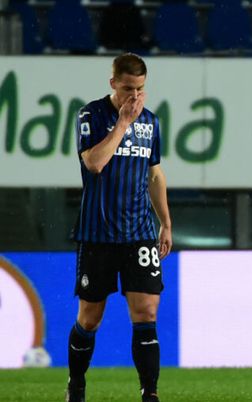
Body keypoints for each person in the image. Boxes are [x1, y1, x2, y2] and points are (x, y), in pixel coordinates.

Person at [67, 53, 172, 402]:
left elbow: (155, 173)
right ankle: (77, 385)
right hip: (97, 233)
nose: (135, 97)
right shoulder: (91, 115)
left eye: (140, 90)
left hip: (139, 231)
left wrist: (166, 223)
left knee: (146, 311)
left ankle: (150, 393)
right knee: (90, 318)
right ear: (113, 83)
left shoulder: (152, 122)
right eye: (128, 89)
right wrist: (123, 124)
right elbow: (94, 163)